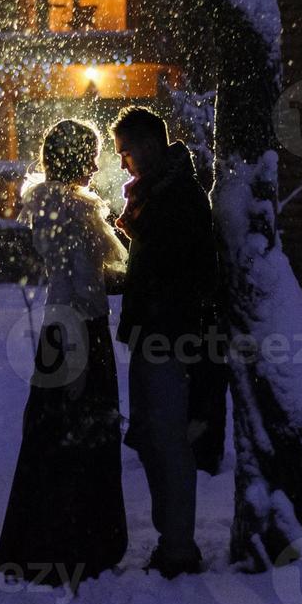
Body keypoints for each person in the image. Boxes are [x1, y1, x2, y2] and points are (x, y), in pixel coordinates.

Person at [0, 119, 129, 588]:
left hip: (59, 331)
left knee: (53, 438)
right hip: (79, 332)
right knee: (82, 436)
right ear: (77, 159)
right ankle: (77, 541)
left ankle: (48, 537)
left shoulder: (51, 207)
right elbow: (84, 286)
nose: (97, 165)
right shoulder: (75, 211)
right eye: (91, 155)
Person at [109, 106, 223, 578]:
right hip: (161, 332)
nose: (123, 164)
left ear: (150, 147)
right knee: (156, 438)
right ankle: (173, 540)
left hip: (168, 336)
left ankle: (178, 546)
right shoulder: (166, 191)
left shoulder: (173, 195)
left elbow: (173, 268)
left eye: (126, 153)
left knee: (167, 441)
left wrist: (137, 235)